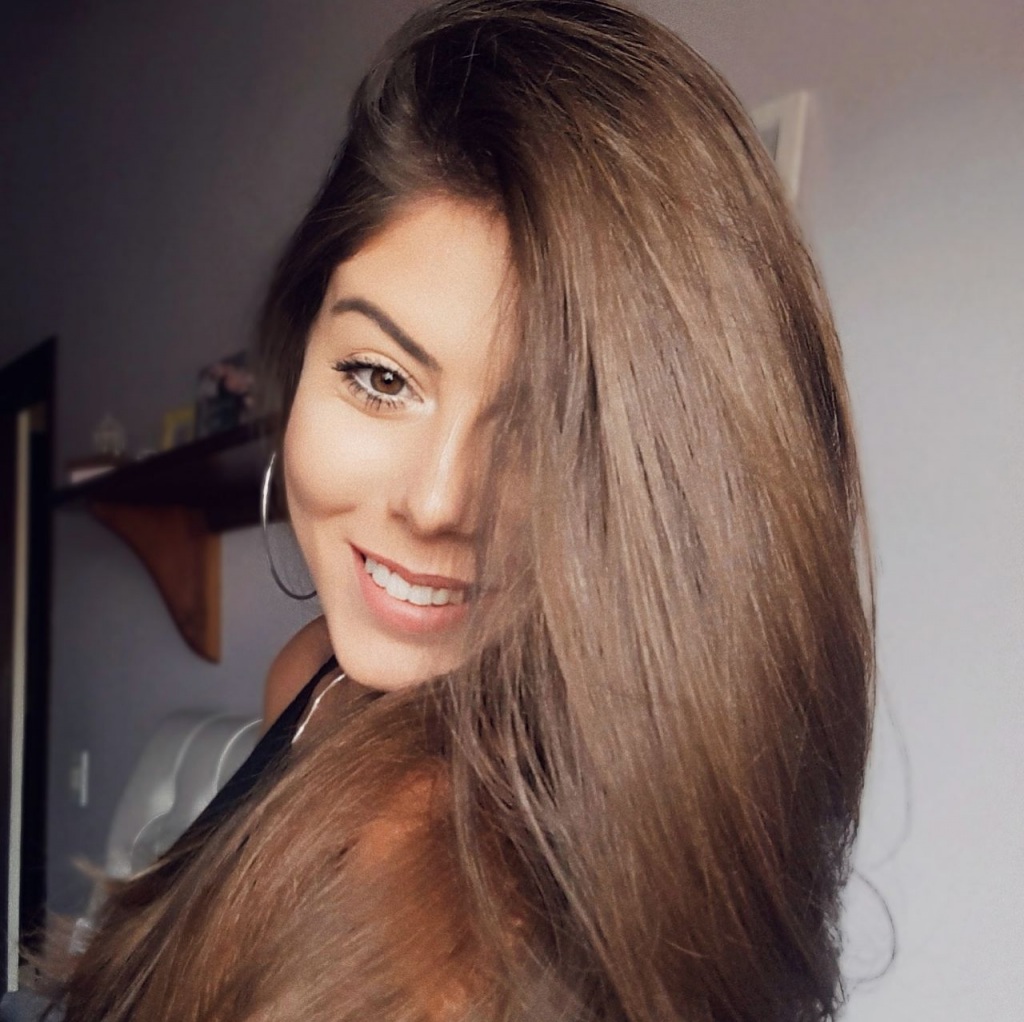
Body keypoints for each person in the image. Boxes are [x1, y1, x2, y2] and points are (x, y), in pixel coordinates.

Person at [46, 1, 875, 1019]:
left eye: (547, 428)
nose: (438, 501)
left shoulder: (491, 891)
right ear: (300, 355)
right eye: (380, 377)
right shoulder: (314, 674)